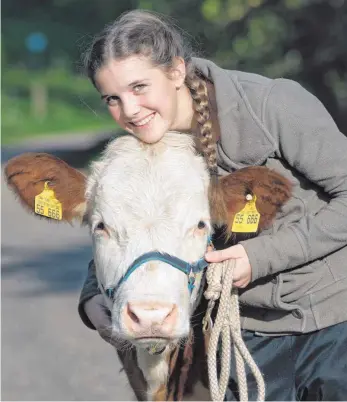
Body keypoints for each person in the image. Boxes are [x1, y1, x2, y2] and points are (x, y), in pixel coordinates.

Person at [79, 9, 347, 401]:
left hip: (333, 317)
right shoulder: (147, 146)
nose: (130, 110)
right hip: (245, 333)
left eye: (139, 87)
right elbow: (124, 227)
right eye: (113, 99)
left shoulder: (272, 105)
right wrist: (91, 296)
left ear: (176, 72)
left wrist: (259, 256)